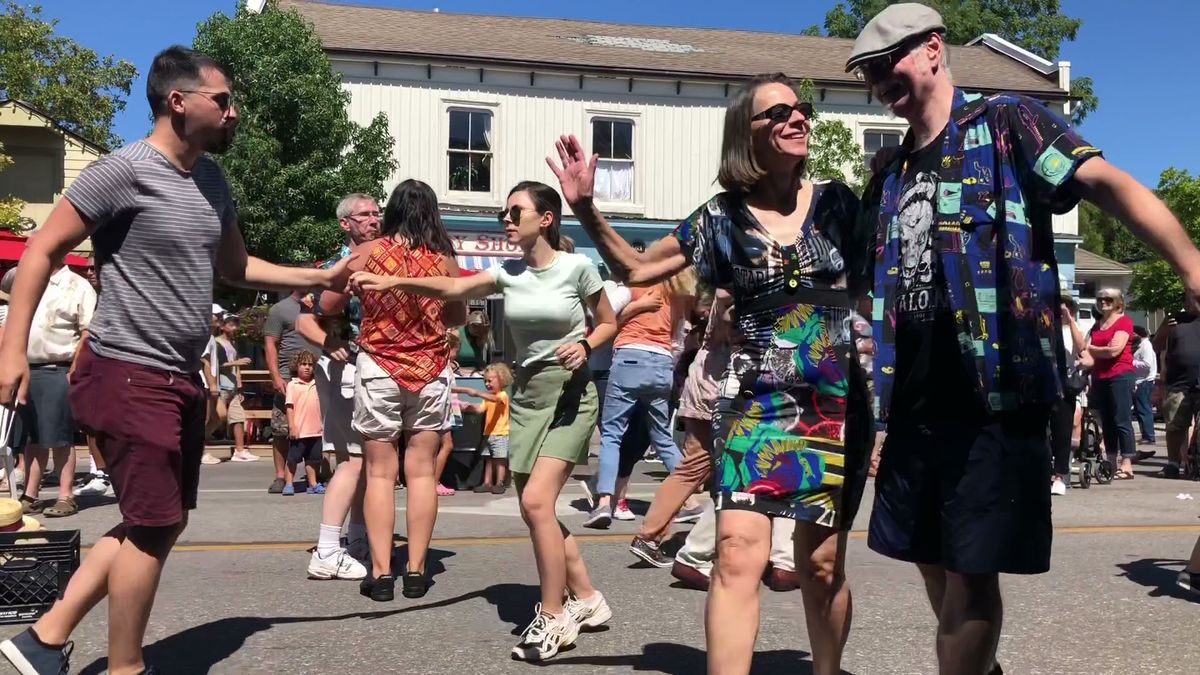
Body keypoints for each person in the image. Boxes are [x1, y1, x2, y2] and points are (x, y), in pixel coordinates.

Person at [847, 5, 1200, 674]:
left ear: (931, 49)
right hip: (913, 397)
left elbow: (1107, 181)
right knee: (927, 552)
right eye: (866, 72)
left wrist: (1190, 262)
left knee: (971, 571)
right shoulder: (888, 172)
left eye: (886, 60)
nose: (877, 80)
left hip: (995, 393)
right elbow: (871, 288)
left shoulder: (1005, 122)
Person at [0, 45, 352, 675]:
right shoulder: (121, 171)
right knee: (153, 524)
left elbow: (236, 267)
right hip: (125, 370)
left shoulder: (211, 180)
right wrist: (11, 352)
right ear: (178, 101)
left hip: (179, 376)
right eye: (224, 100)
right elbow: (39, 251)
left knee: (159, 522)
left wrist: (324, 274)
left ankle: (42, 639)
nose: (234, 112)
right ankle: (125, 667)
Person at [547, 70, 873, 673]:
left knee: (821, 565)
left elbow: (879, 300)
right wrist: (585, 207)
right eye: (777, 113)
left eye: (800, 109)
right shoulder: (720, 218)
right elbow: (637, 268)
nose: (796, 118)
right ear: (745, 135)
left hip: (835, 405)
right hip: (755, 403)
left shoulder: (841, 205)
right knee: (735, 552)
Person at [350, 180, 617, 661]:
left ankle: (553, 617)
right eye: (505, 213)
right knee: (538, 511)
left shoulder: (579, 267)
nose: (507, 220)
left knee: (536, 503)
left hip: (570, 396)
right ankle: (591, 599)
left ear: (547, 219)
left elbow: (608, 322)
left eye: (516, 212)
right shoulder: (507, 273)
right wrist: (395, 282)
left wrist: (587, 344)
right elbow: (451, 287)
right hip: (527, 398)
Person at [339, 178, 466, 602]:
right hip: (430, 368)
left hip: (378, 366)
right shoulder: (443, 259)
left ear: (391, 210)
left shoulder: (367, 254)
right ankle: (415, 569)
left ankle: (381, 573)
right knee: (422, 471)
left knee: (379, 472)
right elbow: (457, 315)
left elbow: (323, 303)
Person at [295, 192, 380, 581]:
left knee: (372, 461)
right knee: (353, 459)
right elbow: (303, 321)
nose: (374, 219)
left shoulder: (381, 260)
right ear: (346, 223)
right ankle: (328, 548)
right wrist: (331, 344)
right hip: (344, 371)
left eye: (377, 213)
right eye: (365, 215)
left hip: (375, 370)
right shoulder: (335, 267)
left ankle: (358, 540)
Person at [628, 290, 732, 566]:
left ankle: (651, 535)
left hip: (708, 384)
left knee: (699, 466)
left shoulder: (721, 296)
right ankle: (652, 535)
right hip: (717, 386)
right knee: (713, 467)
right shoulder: (730, 295)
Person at [583, 274, 684, 527]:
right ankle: (689, 500)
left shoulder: (631, 287)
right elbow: (677, 340)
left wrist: (636, 307)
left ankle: (605, 502)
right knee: (662, 437)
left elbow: (605, 320)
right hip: (662, 363)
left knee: (612, 435)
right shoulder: (675, 293)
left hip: (630, 356)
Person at [6, 262, 96, 519]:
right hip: (26, 368)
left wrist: (74, 371)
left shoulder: (78, 286)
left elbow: (87, 332)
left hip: (57, 367)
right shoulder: (26, 279)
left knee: (59, 436)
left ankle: (65, 495)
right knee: (32, 438)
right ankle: (31, 494)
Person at [264, 291, 320, 491]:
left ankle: (317, 473)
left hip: (318, 377)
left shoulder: (321, 305)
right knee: (282, 428)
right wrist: (276, 376)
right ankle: (281, 476)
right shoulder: (280, 309)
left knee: (317, 428)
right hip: (289, 378)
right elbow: (270, 343)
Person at [1087, 289, 1137, 479]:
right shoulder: (1097, 325)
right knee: (1107, 420)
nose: (1103, 302)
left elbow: (1113, 350)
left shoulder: (1124, 322)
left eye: (1108, 299)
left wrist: (1090, 349)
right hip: (1100, 375)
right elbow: (1085, 349)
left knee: (1121, 419)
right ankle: (1111, 461)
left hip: (1121, 374)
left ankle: (1127, 464)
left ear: (1118, 303)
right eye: (1100, 299)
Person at [1051, 297, 1090, 495]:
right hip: (1044, 382)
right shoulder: (1045, 325)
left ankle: (1060, 475)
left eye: (1063, 311)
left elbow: (1082, 347)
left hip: (1065, 386)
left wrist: (1070, 320)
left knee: (1063, 429)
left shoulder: (1072, 330)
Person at [457, 361, 512, 494]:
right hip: (488, 433)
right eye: (485, 381)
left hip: (500, 434)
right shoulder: (488, 398)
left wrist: (476, 393)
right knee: (487, 458)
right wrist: (468, 406)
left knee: (499, 459)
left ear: (502, 379)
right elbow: (480, 409)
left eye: (490, 381)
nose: (487, 384)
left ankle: (499, 482)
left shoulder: (502, 396)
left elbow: (495, 400)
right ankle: (487, 482)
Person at [1159, 308, 1200, 479]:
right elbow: (1160, 348)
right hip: (1179, 382)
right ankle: (1173, 464)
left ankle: (1193, 462)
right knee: (1175, 425)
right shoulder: (1177, 320)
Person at [215, 313, 256, 463]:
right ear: (222, 326)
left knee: (238, 417)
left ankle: (240, 450)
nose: (234, 328)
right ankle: (201, 447)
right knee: (218, 417)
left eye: (235, 325)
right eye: (231, 324)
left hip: (232, 387)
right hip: (221, 386)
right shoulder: (216, 343)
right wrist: (237, 363)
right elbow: (218, 365)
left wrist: (239, 386)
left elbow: (236, 368)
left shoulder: (232, 343)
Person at [284, 350, 324, 496]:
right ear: (296, 366)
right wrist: (292, 426)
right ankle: (288, 483)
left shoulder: (317, 384)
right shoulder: (292, 385)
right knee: (293, 459)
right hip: (299, 430)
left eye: (310, 365)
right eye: (303, 364)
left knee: (312, 460)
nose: (307, 367)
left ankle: (313, 484)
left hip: (316, 430)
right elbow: (289, 407)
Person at [1132, 324, 1158, 445]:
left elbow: (1147, 364)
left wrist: (1131, 362)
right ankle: (1146, 435)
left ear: (1137, 334)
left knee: (1144, 409)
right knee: (1139, 409)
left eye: (1132, 334)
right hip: (1139, 380)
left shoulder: (1146, 345)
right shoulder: (1139, 345)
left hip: (1144, 381)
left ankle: (1149, 436)